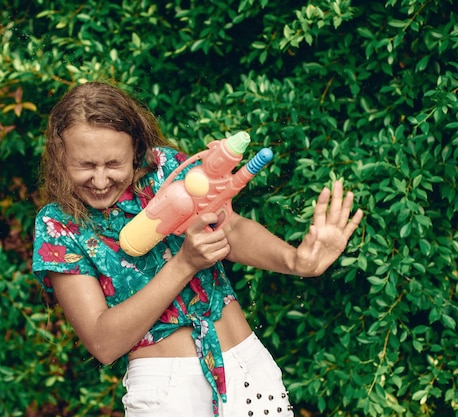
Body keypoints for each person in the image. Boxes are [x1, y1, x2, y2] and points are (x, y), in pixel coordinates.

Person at [32, 81, 363, 417]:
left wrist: (296, 261)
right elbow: (103, 343)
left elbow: (229, 228)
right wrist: (184, 263)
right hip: (168, 396)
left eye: (113, 164)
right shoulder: (58, 226)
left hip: (248, 372)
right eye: (86, 166)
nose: (101, 180)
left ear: (135, 149)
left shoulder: (167, 169)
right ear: (60, 157)